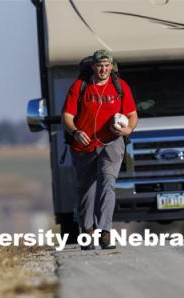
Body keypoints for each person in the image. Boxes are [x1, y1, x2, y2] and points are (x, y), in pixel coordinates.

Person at [62, 49, 138, 250]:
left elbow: (131, 114)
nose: (103, 69)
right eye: (99, 65)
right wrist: (75, 131)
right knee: (86, 190)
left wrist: (128, 130)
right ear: (93, 67)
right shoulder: (80, 86)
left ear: (111, 66)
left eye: (107, 65)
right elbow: (67, 116)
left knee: (107, 184)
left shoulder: (120, 87)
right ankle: (87, 231)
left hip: (112, 143)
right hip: (84, 145)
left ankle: (105, 232)